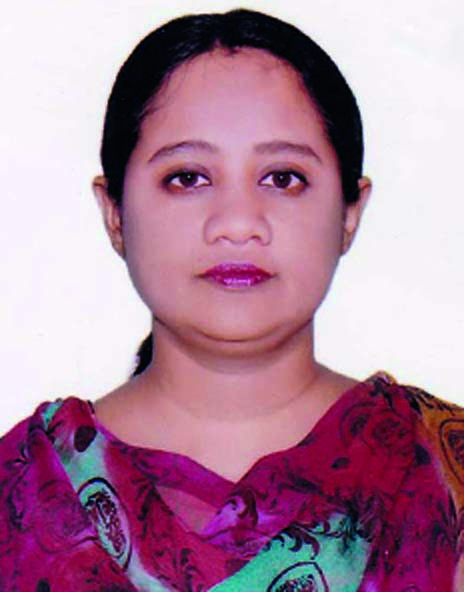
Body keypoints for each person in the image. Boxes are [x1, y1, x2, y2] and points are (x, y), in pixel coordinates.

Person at [0, 8, 462, 591]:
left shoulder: (443, 473)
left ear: (350, 212)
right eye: (188, 178)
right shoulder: (21, 492)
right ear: (114, 213)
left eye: (283, 178)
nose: (239, 223)